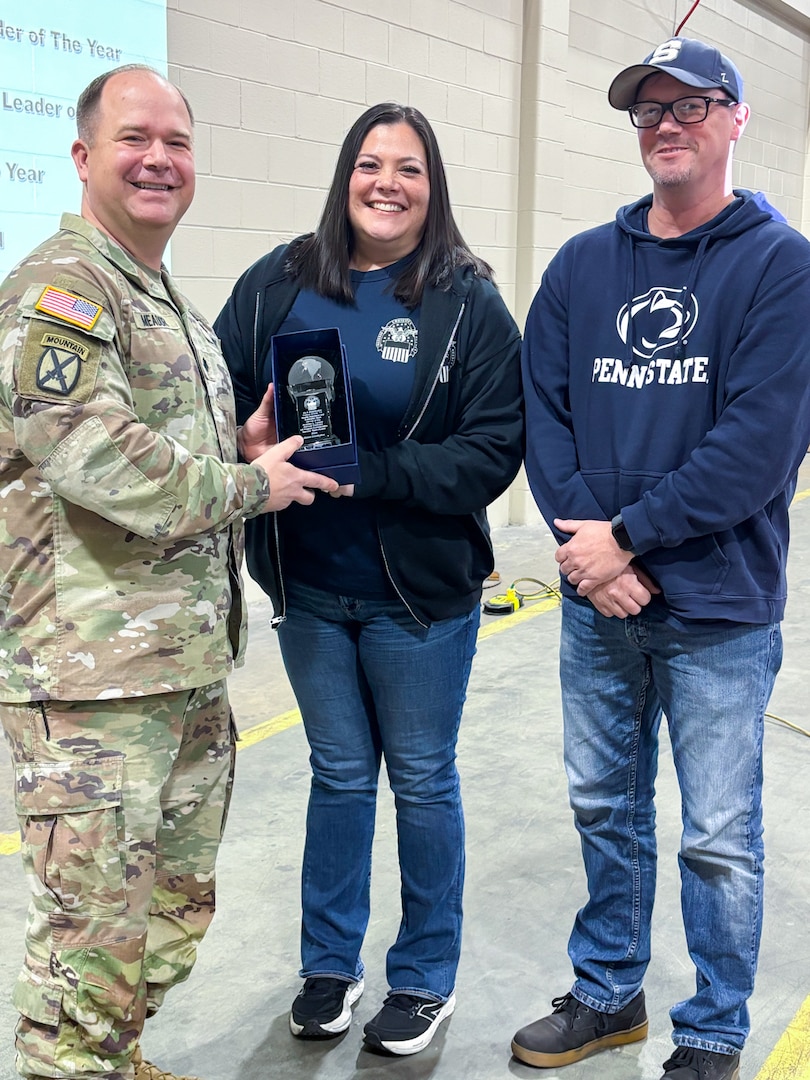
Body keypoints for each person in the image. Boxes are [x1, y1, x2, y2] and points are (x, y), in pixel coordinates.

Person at [0, 65, 336, 1080]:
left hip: (182, 669)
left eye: (178, 142)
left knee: (172, 915)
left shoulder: (170, 304)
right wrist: (251, 483)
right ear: (83, 157)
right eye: (135, 138)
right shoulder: (59, 293)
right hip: (91, 685)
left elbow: (166, 445)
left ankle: (117, 1060)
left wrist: (243, 439)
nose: (159, 159)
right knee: (89, 944)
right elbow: (103, 462)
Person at [511, 37, 810, 1080]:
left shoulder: (781, 265)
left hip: (720, 609)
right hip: (599, 606)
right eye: (647, 111)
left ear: (735, 121)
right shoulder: (583, 266)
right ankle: (607, 993)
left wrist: (626, 539)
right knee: (604, 802)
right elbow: (541, 417)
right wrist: (592, 553)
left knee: (718, 835)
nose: (666, 123)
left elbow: (757, 449)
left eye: (690, 105)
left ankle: (716, 1027)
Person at [215, 102, 523, 1056]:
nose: (387, 183)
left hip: (418, 597)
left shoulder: (467, 301)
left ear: (434, 189)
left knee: (423, 781)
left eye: (410, 169)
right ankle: (328, 966)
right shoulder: (276, 281)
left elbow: (491, 453)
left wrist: (376, 471)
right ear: (345, 174)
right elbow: (215, 400)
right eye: (370, 163)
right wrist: (243, 445)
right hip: (307, 586)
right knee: (339, 777)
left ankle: (426, 977)